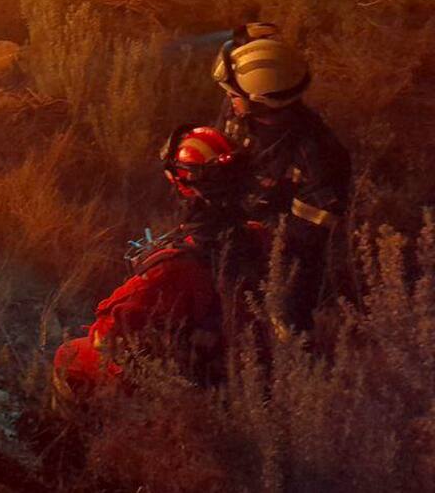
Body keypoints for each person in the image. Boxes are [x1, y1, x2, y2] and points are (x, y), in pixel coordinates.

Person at [52, 126, 263, 408]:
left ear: (186, 185)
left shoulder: (175, 269)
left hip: (188, 389)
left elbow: (107, 334)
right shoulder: (260, 237)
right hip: (242, 375)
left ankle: (80, 436)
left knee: (70, 355)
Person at [211, 24, 351, 331]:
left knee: (284, 323)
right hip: (232, 228)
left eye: (234, 95)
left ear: (262, 101)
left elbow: (302, 247)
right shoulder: (244, 111)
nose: (229, 100)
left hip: (276, 257)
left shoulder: (318, 158)